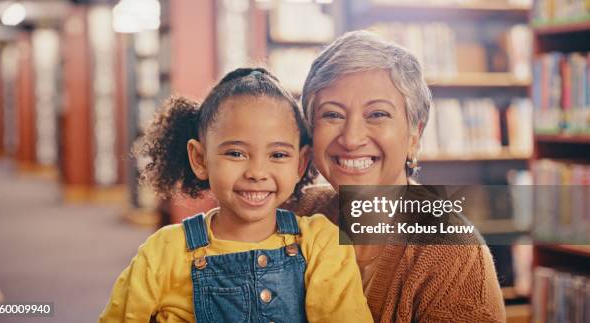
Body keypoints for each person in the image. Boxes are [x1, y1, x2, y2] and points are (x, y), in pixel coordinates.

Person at [99, 68, 372, 322]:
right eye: (236, 153)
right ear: (200, 159)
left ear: (300, 164)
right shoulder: (163, 251)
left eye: (278, 155)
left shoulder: (322, 243)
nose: (257, 172)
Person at [287, 30, 506, 322]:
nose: (351, 139)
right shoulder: (293, 212)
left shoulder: (455, 255)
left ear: (415, 134)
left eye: (377, 114)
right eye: (332, 115)